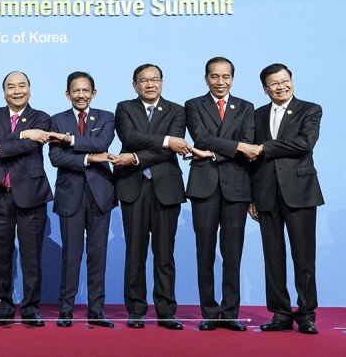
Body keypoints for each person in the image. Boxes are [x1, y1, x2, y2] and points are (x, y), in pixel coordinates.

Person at [111, 64, 190, 330]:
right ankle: (136, 310)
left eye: (154, 79)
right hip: (133, 187)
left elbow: (169, 150)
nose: (149, 84)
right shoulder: (124, 108)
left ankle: (166, 311)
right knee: (135, 252)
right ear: (135, 85)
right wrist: (167, 141)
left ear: (162, 83)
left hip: (166, 189)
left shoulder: (177, 110)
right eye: (143, 80)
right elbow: (129, 136)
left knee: (165, 254)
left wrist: (136, 156)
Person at [246, 63, 323, 334]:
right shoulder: (256, 114)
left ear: (292, 81)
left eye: (285, 81)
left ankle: (306, 314)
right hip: (265, 193)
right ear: (265, 89)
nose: (281, 86)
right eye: (274, 83)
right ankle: (280, 313)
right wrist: (250, 198)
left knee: (304, 257)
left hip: (300, 192)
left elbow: (305, 143)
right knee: (273, 257)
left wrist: (265, 147)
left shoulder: (310, 109)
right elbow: (249, 161)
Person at [0, 71, 53, 327]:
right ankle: (3, 309)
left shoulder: (42, 117)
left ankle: (31, 309)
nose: (16, 91)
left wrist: (14, 141)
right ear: (4, 91)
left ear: (30, 89)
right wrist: (22, 134)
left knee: (31, 256)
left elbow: (29, 146)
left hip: (31, 194)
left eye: (22, 86)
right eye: (11, 87)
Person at [184, 57, 254, 331]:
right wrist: (233, 148)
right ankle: (209, 312)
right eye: (214, 76)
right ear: (206, 79)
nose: (220, 81)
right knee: (205, 253)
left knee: (233, 253)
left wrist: (213, 153)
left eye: (226, 76)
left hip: (236, 188)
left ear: (232, 79)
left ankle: (231, 312)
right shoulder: (193, 105)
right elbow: (201, 138)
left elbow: (248, 143)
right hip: (204, 188)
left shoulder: (246, 107)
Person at [47, 72, 117, 328]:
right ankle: (66, 309)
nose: (81, 95)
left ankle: (96, 311)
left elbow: (102, 143)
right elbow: (56, 158)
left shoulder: (107, 117)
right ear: (68, 94)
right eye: (75, 91)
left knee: (98, 255)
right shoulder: (56, 120)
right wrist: (88, 158)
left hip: (100, 195)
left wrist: (70, 140)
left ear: (93, 93)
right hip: (70, 195)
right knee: (71, 255)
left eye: (85, 90)